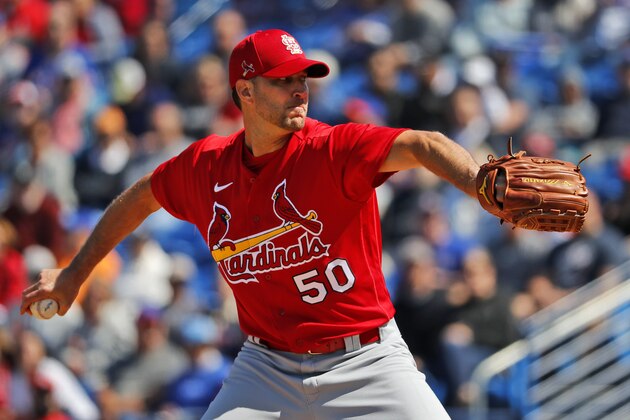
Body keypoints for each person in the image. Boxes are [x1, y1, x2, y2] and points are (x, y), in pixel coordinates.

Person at [21, 28, 484, 419]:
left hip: (367, 360)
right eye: (284, 80)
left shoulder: (332, 149)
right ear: (245, 91)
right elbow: (139, 199)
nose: (300, 89)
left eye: (303, 77)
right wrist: (73, 274)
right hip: (265, 368)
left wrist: (480, 183)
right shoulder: (205, 167)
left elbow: (424, 143)